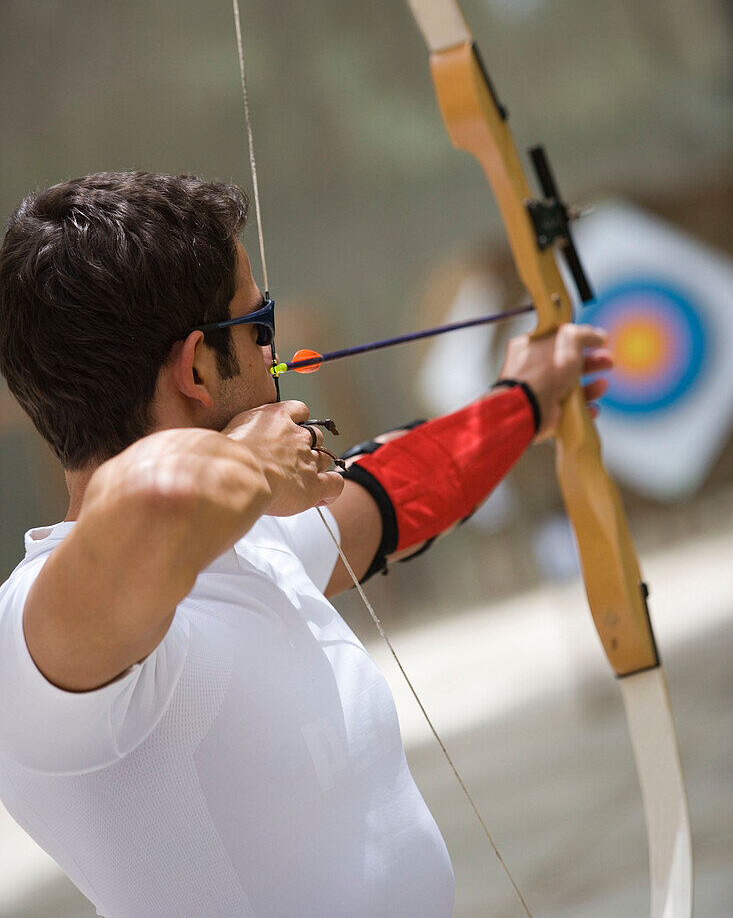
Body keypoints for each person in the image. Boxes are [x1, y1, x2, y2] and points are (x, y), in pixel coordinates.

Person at [0, 171, 611, 917]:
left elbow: (394, 496)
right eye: (257, 322)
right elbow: (152, 500)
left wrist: (523, 401)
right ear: (195, 366)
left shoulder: (243, 544)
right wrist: (255, 461)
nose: (272, 352)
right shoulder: (39, 635)